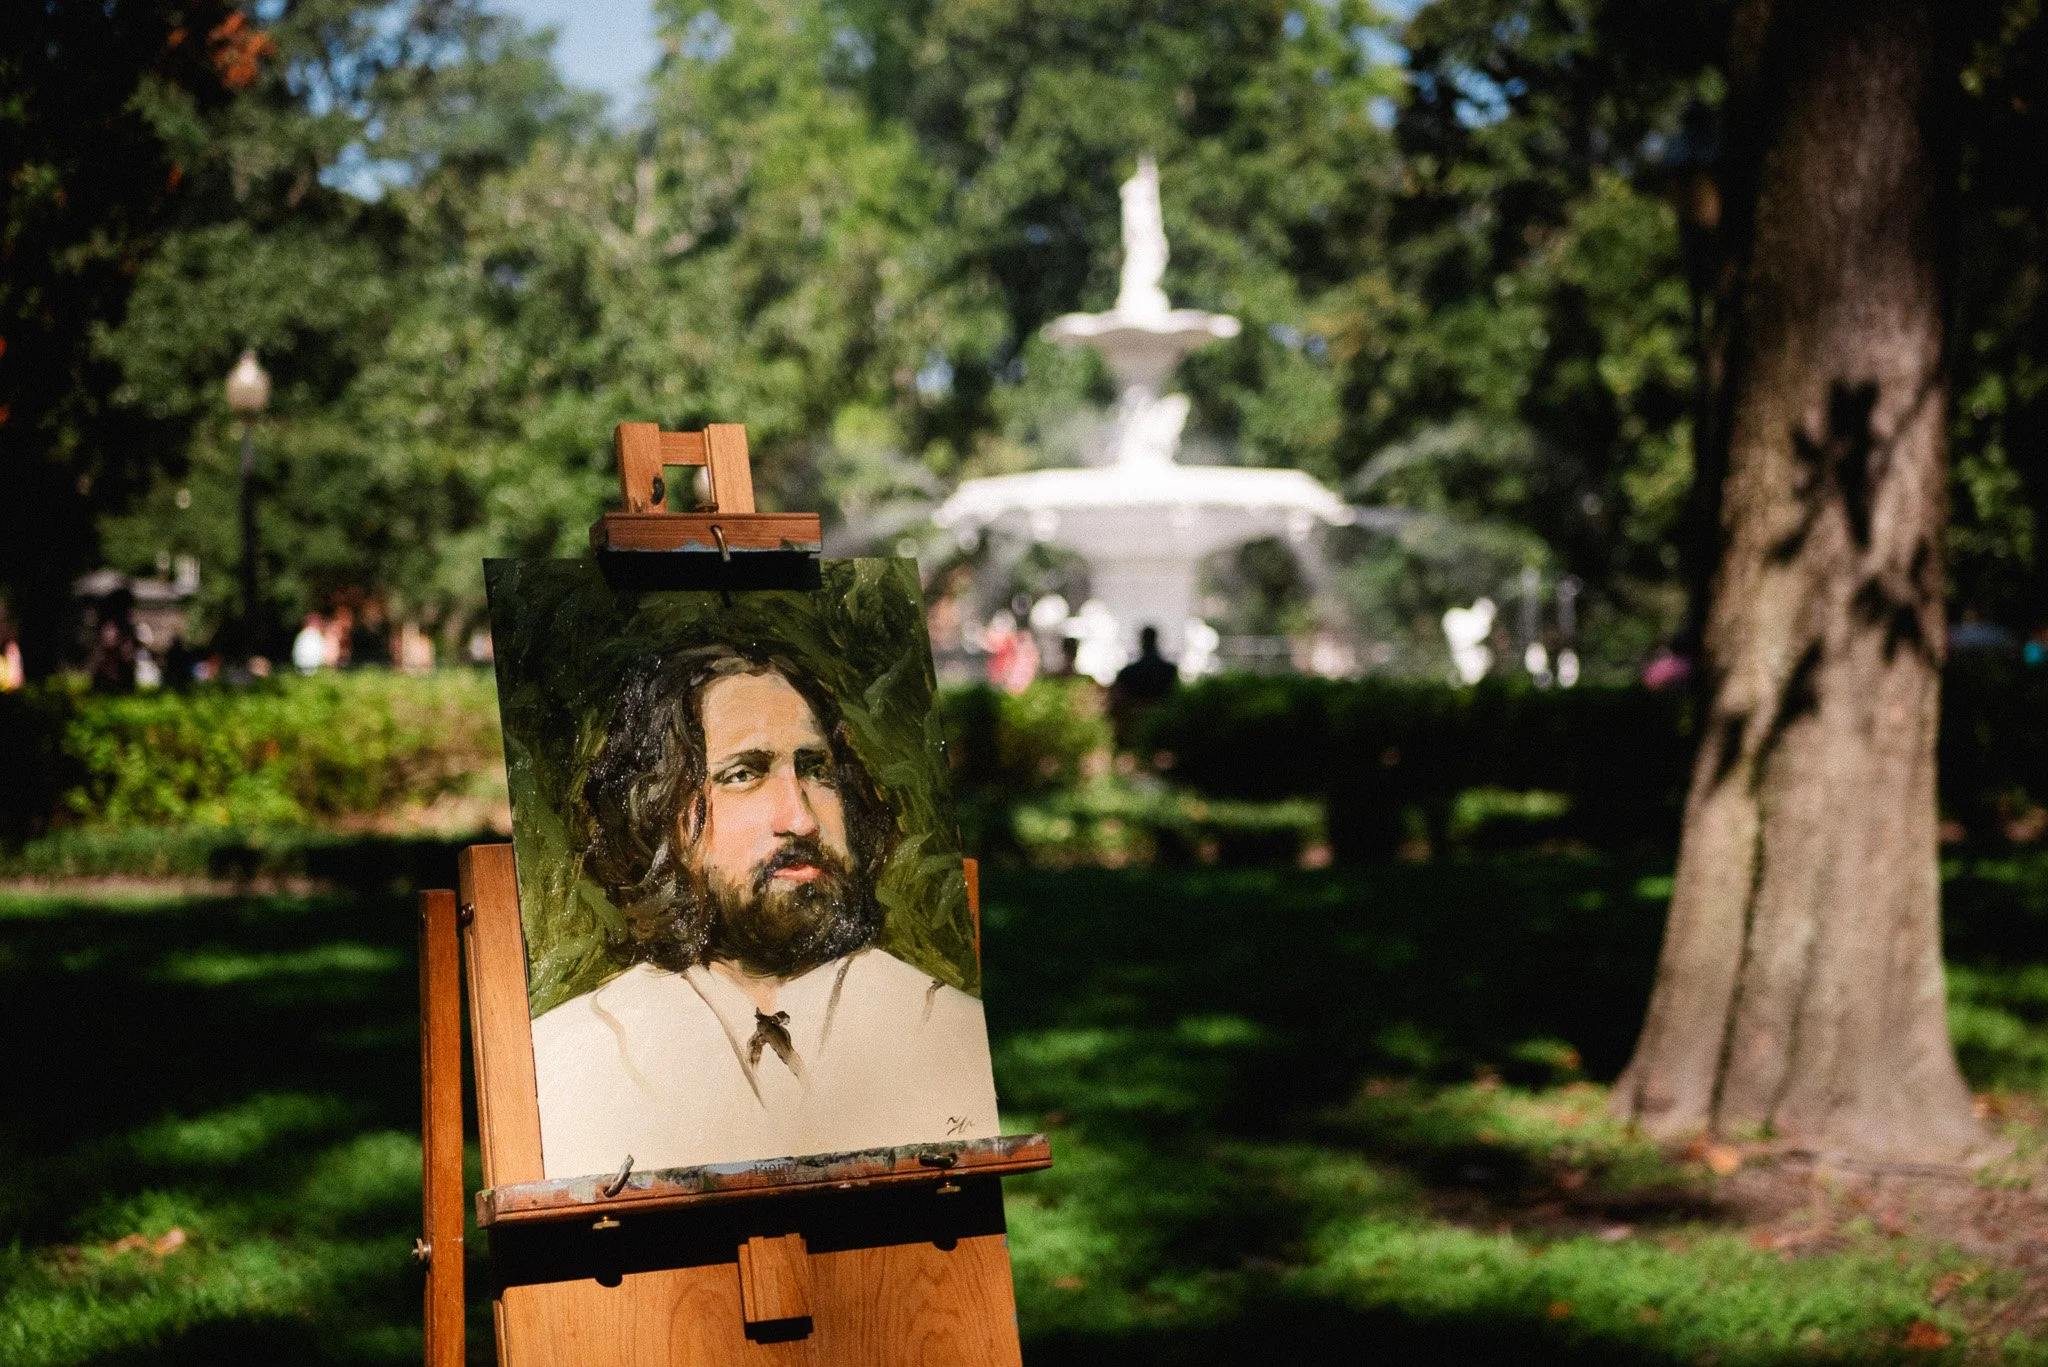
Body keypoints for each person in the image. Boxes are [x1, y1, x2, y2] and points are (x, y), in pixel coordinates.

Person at [529, 643, 998, 1178]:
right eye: (744, 775)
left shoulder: (945, 1029)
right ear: (657, 811)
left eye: (816, 769)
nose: (800, 819)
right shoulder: (568, 1057)